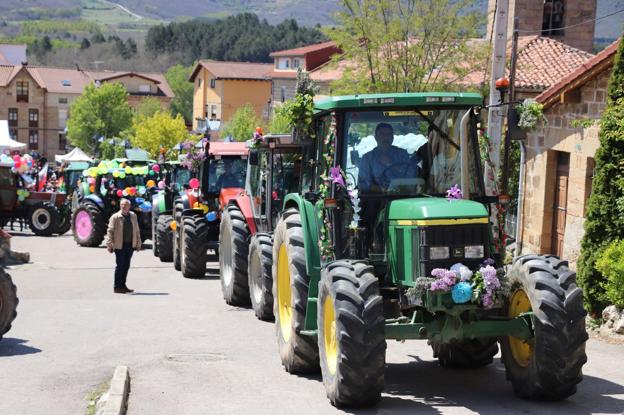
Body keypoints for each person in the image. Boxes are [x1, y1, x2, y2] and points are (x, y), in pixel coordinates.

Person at [358, 123, 412, 192]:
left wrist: (390, 164)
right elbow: (363, 184)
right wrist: (383, 190)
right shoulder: (367, 158)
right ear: (376, 137)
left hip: (401, 196)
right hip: (375, 198)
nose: (386, 138)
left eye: (389, 135)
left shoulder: (402, 155)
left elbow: (410, 178)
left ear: (392, 137)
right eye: (382, 134)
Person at [105, 198, 141, 294]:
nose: (123, 207)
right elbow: (110, 231)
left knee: (126, 266)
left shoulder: (133, 216)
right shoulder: (115, 217)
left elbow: (137, 230)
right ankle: (117, 287)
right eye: (122, 205)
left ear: (129, 206)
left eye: (125, 205)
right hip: (119, 246)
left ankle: (123, 285)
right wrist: (109, 244)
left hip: (130, 245)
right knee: (120, 266)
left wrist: (138, 243)